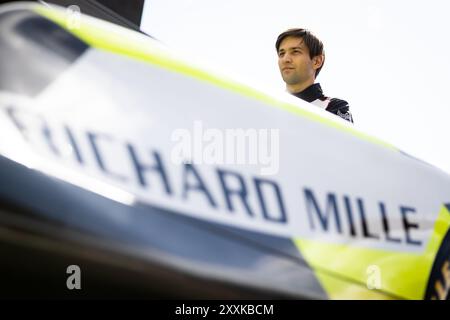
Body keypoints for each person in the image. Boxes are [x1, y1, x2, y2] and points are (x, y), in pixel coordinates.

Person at [276, 28, 353, 123]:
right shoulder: (269, 105)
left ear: (317, 61)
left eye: (295, 51)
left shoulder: (334, 107)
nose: (285, 59)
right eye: (281, 53)